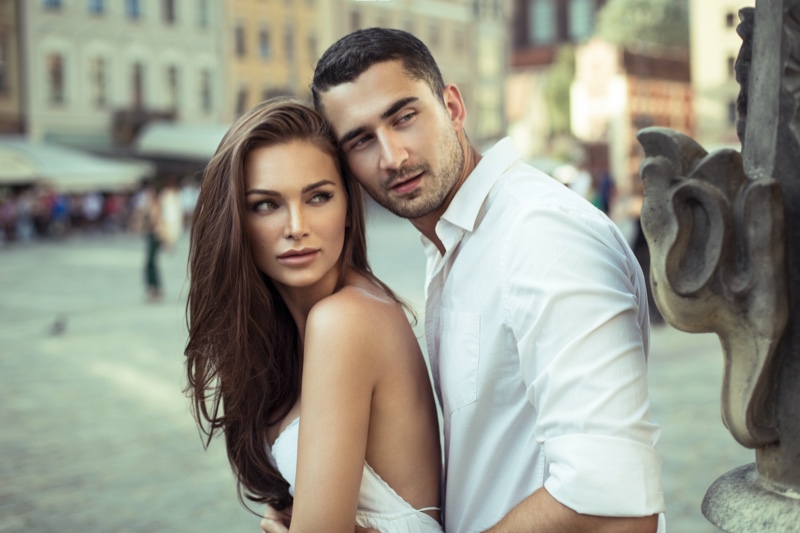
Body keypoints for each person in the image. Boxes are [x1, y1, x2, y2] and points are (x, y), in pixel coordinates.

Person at [265, 27, 665, 532]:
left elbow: (614, 495)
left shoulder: (540, 234)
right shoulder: (455, 241)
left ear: (452, 107)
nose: (392, 157)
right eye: (361, 140)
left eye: (404, 117)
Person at [184, 98, 443, 532]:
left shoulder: (345, 320)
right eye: (267, 204)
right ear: (237, 222)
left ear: (347, 209)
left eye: (318, 197)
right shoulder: (298, 327)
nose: (296, 226)